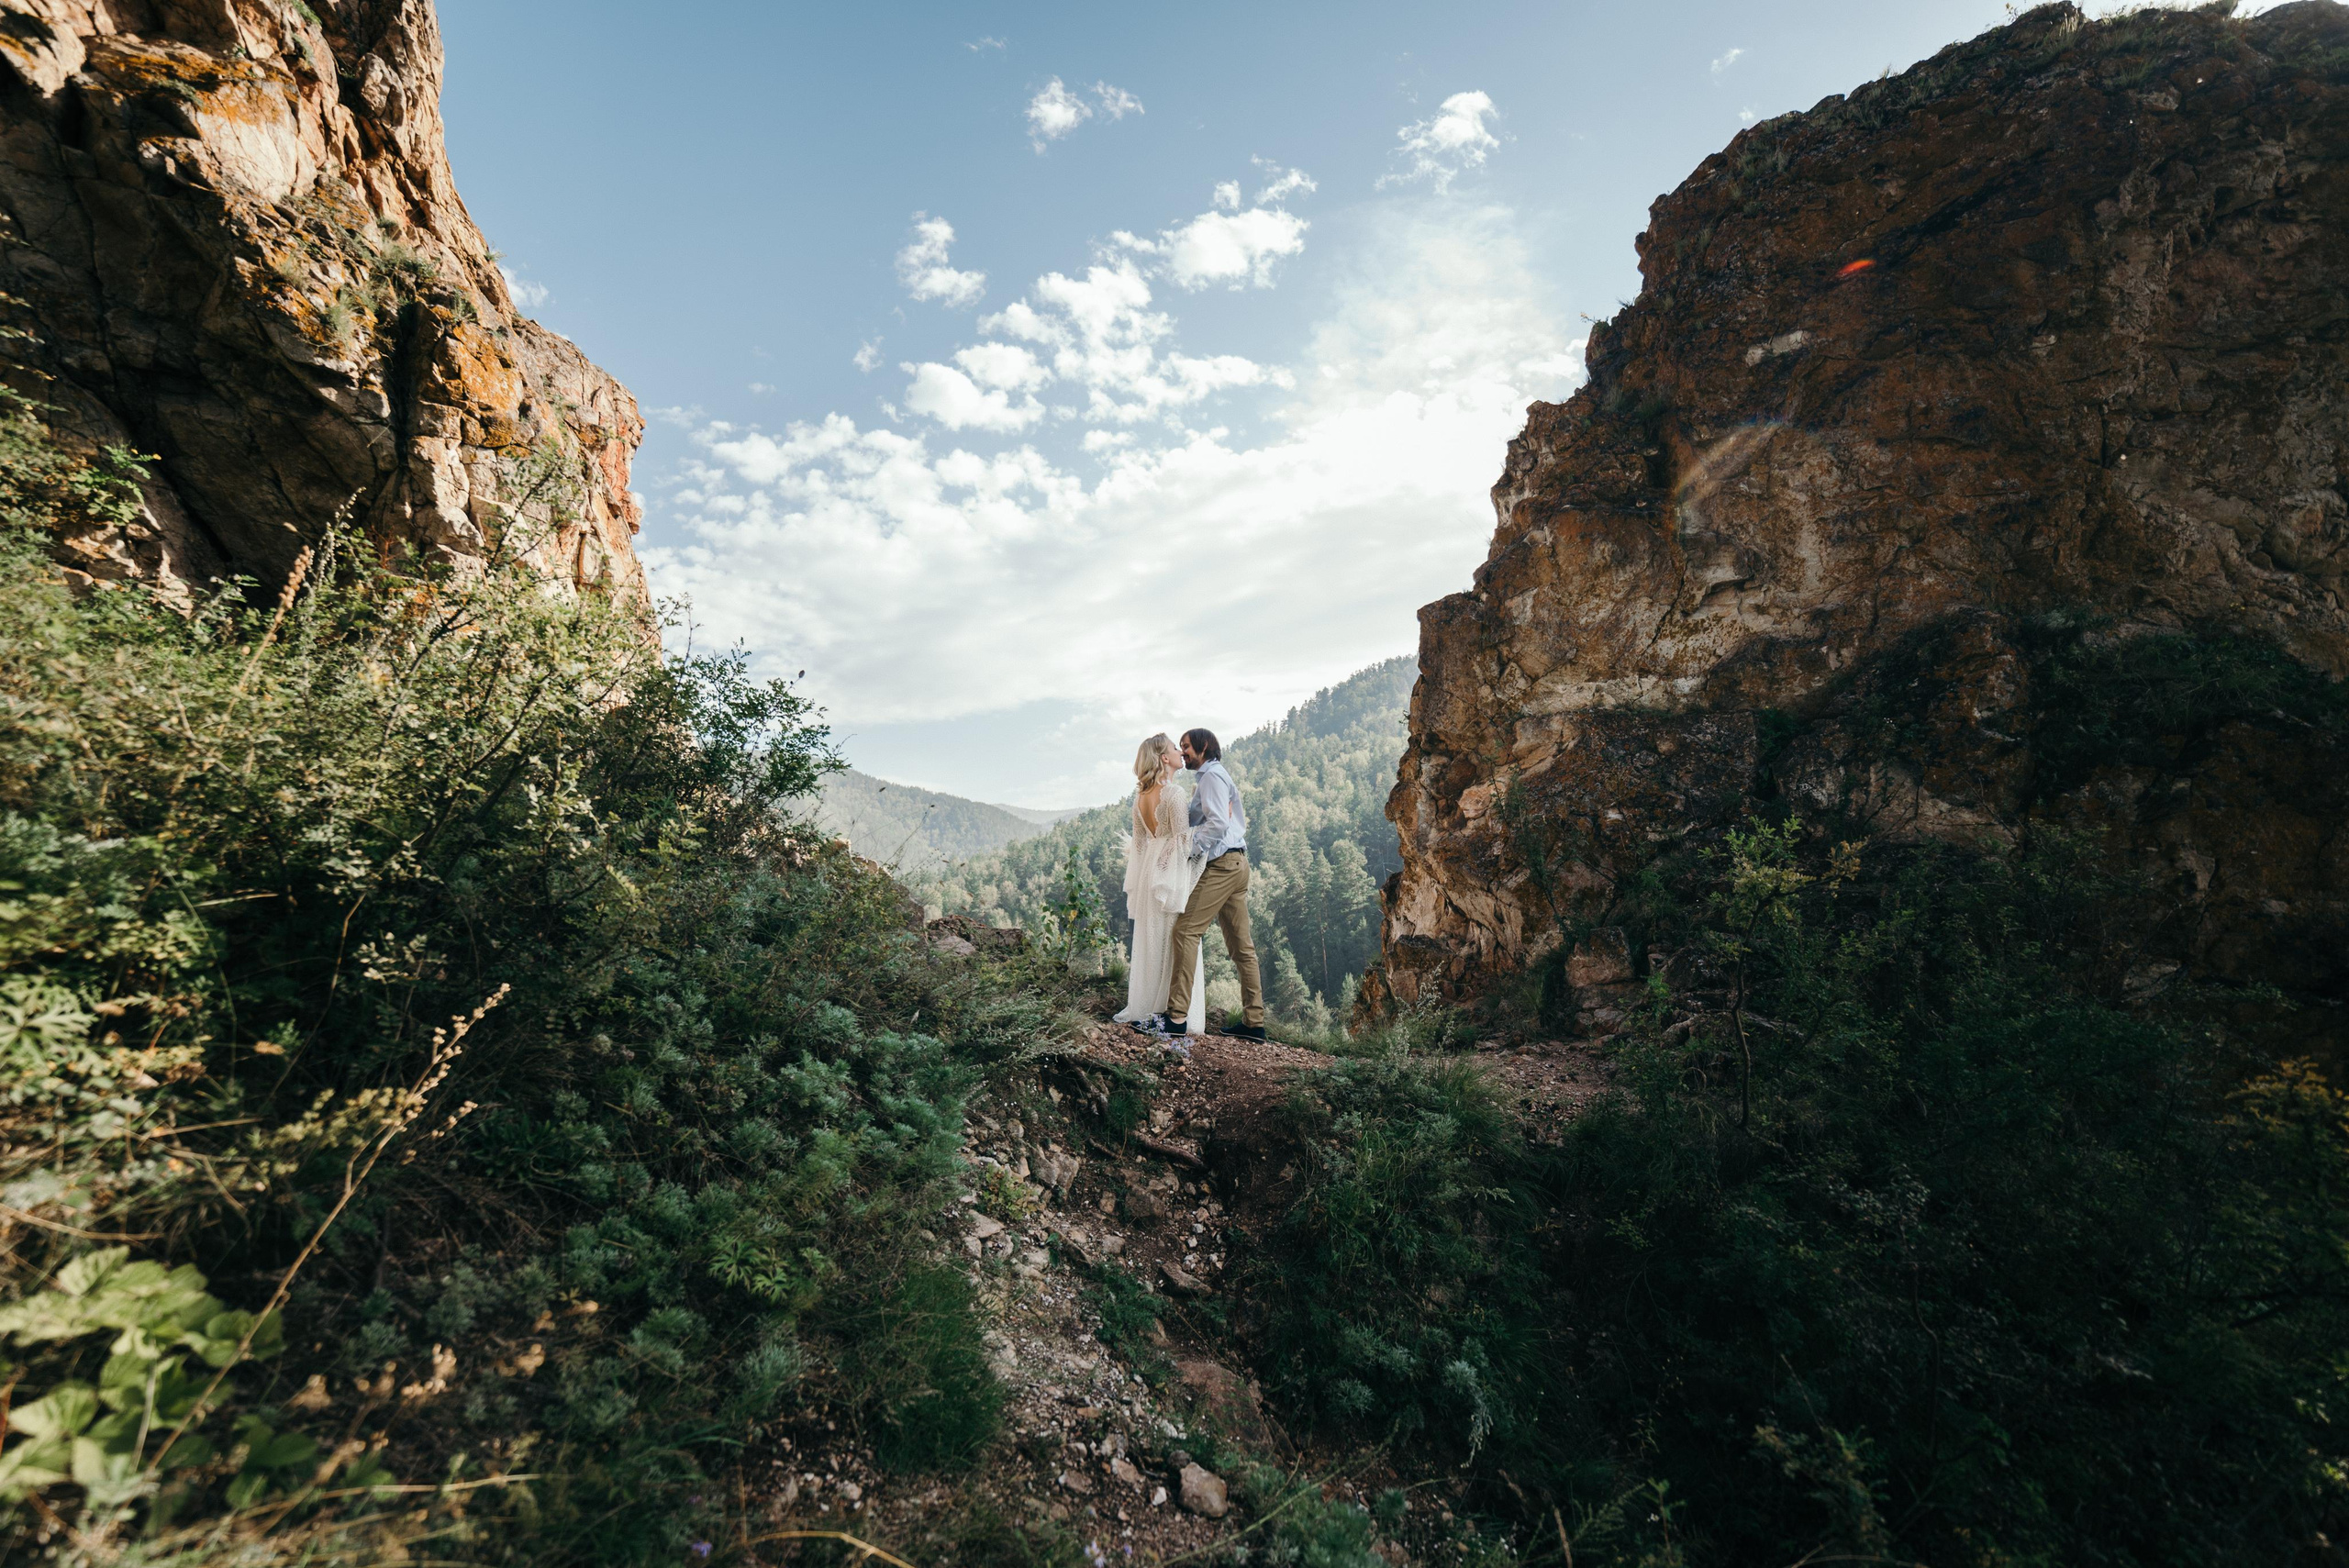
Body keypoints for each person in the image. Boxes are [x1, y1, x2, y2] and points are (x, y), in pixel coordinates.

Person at [1141, 728, 1266, 1041]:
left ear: (1204, 746)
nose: (1183, 752)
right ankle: (1255, 1023)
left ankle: (1177, 1018)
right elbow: (1201, 819)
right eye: (1179, 747)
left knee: (1185, 931)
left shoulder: (1211, 778)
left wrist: (1187, 850)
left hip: (1222, 866)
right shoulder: (1211, 778)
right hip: (1238, 864)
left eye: (1187, 747)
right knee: (1242, 948)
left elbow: (1217, 824)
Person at [1113, 734, 1207, 1038]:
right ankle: (1172, 1013)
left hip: (1148, 874)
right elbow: (1182, 842)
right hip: (1168, 875)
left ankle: (1147, 1008)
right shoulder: (1175, 794)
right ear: (1164, 758)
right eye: (1174, 749)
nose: (1181, 752)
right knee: (1174, 943)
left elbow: (1139, 846)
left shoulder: (1140, 799)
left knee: (1153, 942)